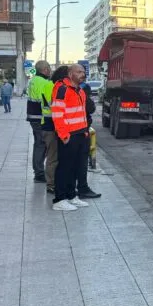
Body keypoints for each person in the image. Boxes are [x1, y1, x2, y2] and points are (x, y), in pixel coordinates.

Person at [50, 64, 91, 211]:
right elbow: (57, 114)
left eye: (83, 72)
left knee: (75, 168)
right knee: (64, 168)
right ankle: (59, 199)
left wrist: (85, 132)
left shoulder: (80, 91)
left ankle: (71, 196)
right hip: (69, 136)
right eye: (79, 72)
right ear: (70, 73)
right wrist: (64, 135)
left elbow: (81, 114)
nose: (82, 74)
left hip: (80, 134)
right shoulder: (62, 89)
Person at [44, 66, 69, 194]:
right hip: (51, 126)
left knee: (53, 156)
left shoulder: (52, 86)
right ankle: (51, 184)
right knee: (53, 157)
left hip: (50, 125)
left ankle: (53, 182)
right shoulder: (56, 88)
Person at [26, 61, 53, 183]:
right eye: (49, 68)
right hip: (40, 118)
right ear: (45, 69)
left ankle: (38, 172)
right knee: (41, 145)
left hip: (33, 116)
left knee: (38, 144)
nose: (50, 71)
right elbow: (47, 101)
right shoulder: (45, 82)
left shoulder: (32, 80)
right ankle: (39, 173)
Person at [75, 75, 101, 199]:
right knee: (80, 161)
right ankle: (81, 188)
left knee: (71, 162)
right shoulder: (80, 91)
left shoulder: (64, 89)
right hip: (78, 131)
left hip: (72, 131)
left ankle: (75, 188)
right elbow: (90, 108)